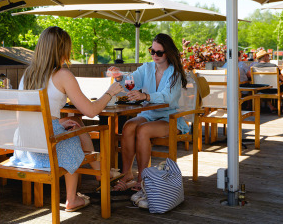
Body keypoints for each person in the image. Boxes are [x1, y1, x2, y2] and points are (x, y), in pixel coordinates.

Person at [12, 26, 124, 212]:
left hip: (25, 146)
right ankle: (72, 198)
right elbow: (90, 111)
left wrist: (57, 121)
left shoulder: (28, 74)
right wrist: (109, 93)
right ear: (62, 50)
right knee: (74, 134)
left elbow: (23, 115)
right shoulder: (63, 75)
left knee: (74, 122)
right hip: (50, 147)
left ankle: (99, 173)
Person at [109, 33, 187, 192]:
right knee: (129, 126)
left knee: (143, 130)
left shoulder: (175, 73)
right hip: (148, 114)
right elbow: (130, 81)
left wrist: (145, 96)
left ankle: (142, 179)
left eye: (159, 52)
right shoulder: (147, 67)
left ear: (168, 53)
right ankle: (126, 174)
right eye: (152, 51)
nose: (155, 55)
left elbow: (169, 98)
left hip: (169, 117)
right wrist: (119, 78)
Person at [252, 49, 283, 113]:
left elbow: (250, 76)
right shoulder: (274, 66)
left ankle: (271, 106)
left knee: (266, 87)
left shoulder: (253, 67)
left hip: (260, 90)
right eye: (268, 55)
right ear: (265, 56)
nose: (269, 57)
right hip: (274, 89)